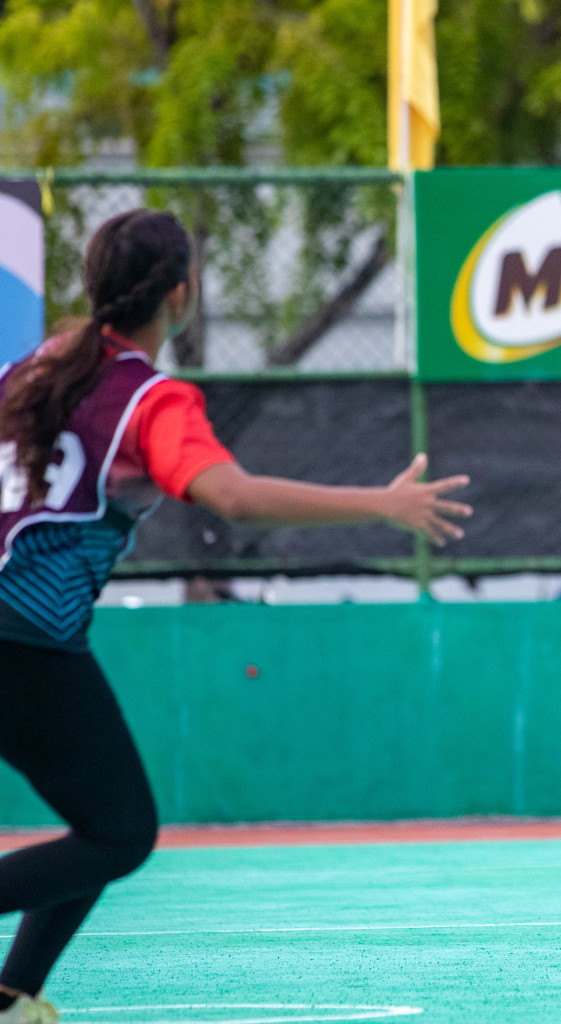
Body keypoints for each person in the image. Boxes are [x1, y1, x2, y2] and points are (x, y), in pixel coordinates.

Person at [0, 209, 472, 1023]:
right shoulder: (149, 397)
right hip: (24, 639)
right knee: (119, 835)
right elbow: (236, 497)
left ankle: (13, 996)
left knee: (101, 826)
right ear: (179, 296)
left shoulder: (31, 371)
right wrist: (384, 503)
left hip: (30, 636)